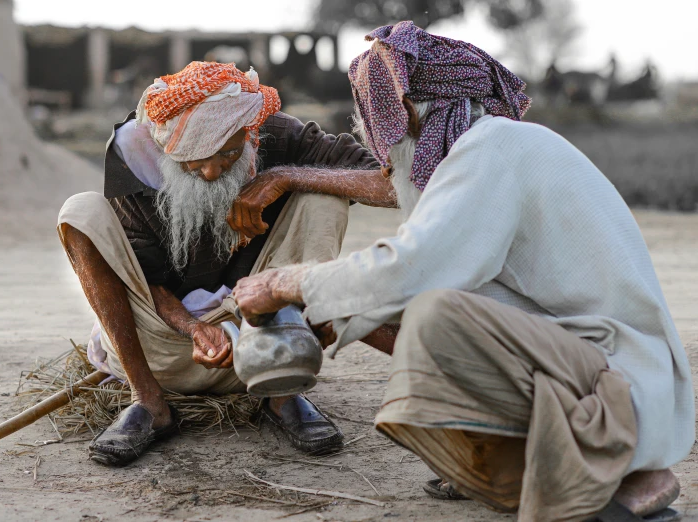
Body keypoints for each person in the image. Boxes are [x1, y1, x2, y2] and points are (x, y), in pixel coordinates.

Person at [233, 22, 693, 522]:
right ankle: (542, 463)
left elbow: (411, 268)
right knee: (384, 310)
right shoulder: (495, 147)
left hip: (619, 390)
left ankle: (624, 475)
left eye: (380, 126)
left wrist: (283, 283)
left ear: (405, 112)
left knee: (434, 315)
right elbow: (407, 209)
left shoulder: (491, 154)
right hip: (610, 369)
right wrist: (339, 311)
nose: (382, 149)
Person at [57, 61, 397, 465]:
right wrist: (194, 326)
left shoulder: (275, 132)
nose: (214, 171)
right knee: (79, 211)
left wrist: (283, 177)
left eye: (230, 153)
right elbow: (146, 281)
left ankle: (282, 393)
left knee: (322, 196)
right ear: (167, 146)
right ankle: (148, 402)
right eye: (194, 161)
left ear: (249, 132)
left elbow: (392, 184)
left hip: (262, 346)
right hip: (166, 349)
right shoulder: (135, 153)